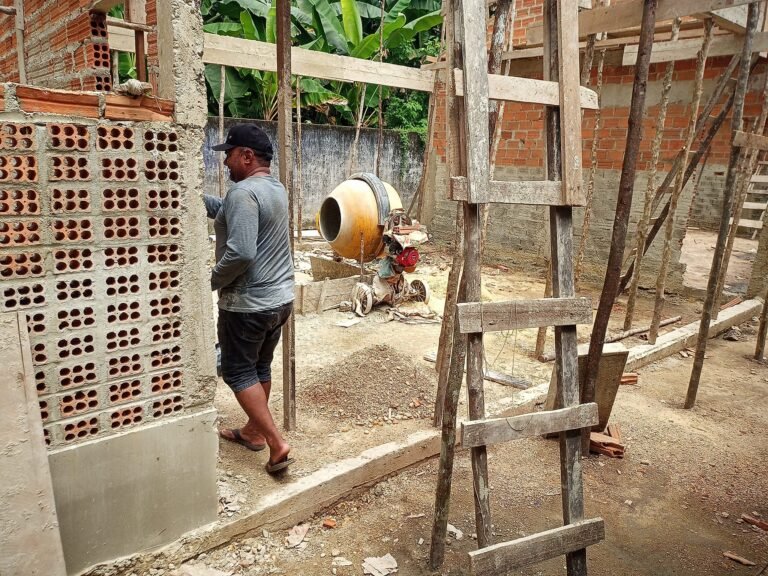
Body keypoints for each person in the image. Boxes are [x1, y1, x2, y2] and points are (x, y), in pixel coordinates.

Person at [204, 123, 295, 474]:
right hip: (279, 301)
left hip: (247, 305)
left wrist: (210, 281)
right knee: (259, 368)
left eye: (229, 154)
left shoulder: (243, 193)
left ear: (246, 156)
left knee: (238, 370)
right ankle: (254, 432)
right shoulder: (274, 188)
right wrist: (190, 198)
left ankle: (276, 442)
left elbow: (241, 252)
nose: (225, 161)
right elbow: (230, 212)